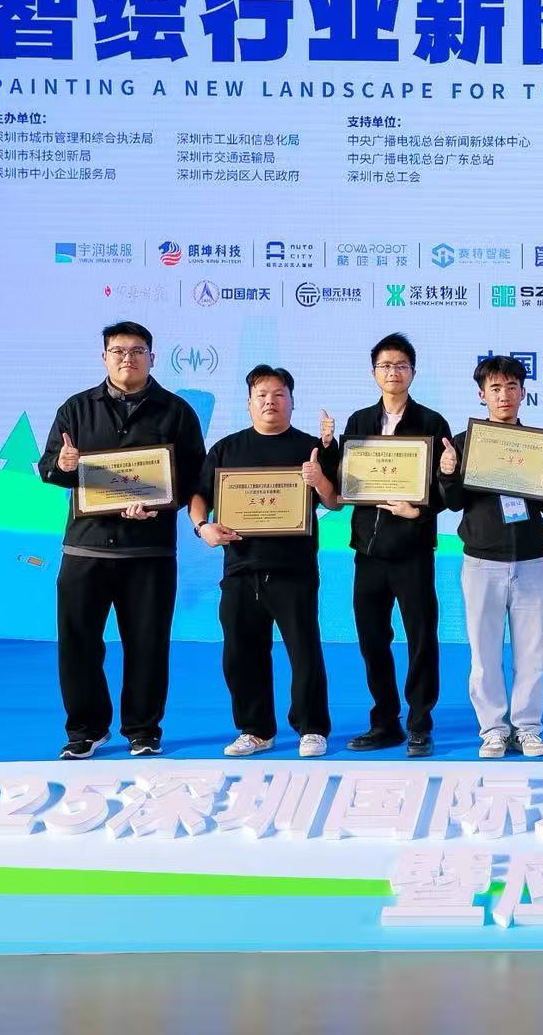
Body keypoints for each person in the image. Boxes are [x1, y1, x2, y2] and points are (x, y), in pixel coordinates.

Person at [38, 321, 205, 759]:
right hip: (85, 548)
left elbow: (194, 478)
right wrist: (63, 463)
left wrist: (162, 505)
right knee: (78, 644)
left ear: (152, 357)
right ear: (104, 357)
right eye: (118, 351)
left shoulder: (176, 412)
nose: (127, 358)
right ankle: (85, 730)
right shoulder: (76, 409)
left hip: (149, 551)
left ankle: (143, 729)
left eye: (137, 350)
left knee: (147, 644)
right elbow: (48, 469)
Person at [192, 364, 341, 758]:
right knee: (241, 654)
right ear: (249, 403)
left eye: (279, 394)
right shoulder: (227, 449)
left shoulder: (310, 447)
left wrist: (318, 480)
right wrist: (202, 527)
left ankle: (312, 728)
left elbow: (334, 502)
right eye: (262, 395)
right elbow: (200, 495)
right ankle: (255, 730)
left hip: (294, 569)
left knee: (304, 652)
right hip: (241, 567)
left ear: (292, 401)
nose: (270, 402)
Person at [322, 333, 456, 759]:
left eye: (401, 365)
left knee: (421, 638)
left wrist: (419, 511)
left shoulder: (432, 422)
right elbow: (345, 484)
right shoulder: (360, 421)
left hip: (413, 550)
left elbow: (445, 489)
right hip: (368, 550)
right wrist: (328, 448)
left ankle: (420, 724)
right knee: (372, 639)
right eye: (385, 365)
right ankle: (385, 722)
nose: (393, 372)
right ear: (373, 372)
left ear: (413, 372)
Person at [436, 355, 543, 759]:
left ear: (523, 392)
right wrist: (447, 472)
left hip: (531, 561)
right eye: (495, 388)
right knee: (484, 654)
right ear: (482, 395)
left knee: (533, 654)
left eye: (512, 387)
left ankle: (527, 728)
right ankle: (493, 729)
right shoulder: (464, 442)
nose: (504, 395)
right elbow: (454, 502)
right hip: (482, 562)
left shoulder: (539, 445)